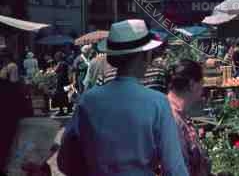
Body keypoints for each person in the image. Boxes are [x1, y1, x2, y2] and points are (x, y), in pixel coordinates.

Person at [57, 19, 189, 176]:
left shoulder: (88, 100)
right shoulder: (157, 103)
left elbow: (65, 161)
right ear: (145, 56)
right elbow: (174, 168)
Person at [166, 60, 211, 176]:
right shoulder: (170, 119)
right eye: (202, 83)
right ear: (192, 85)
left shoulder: (178, 114)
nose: (202, 90)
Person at [52, 51, 72, 116]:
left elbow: (55, 70)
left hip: (61, 83)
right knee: (65, 95)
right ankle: (68, 108)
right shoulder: (65, 63)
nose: (55, 58)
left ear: (58, 57)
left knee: (60, 96)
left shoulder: (61, 63)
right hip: (65, 82)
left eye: (56, 57)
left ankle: (61, 110)